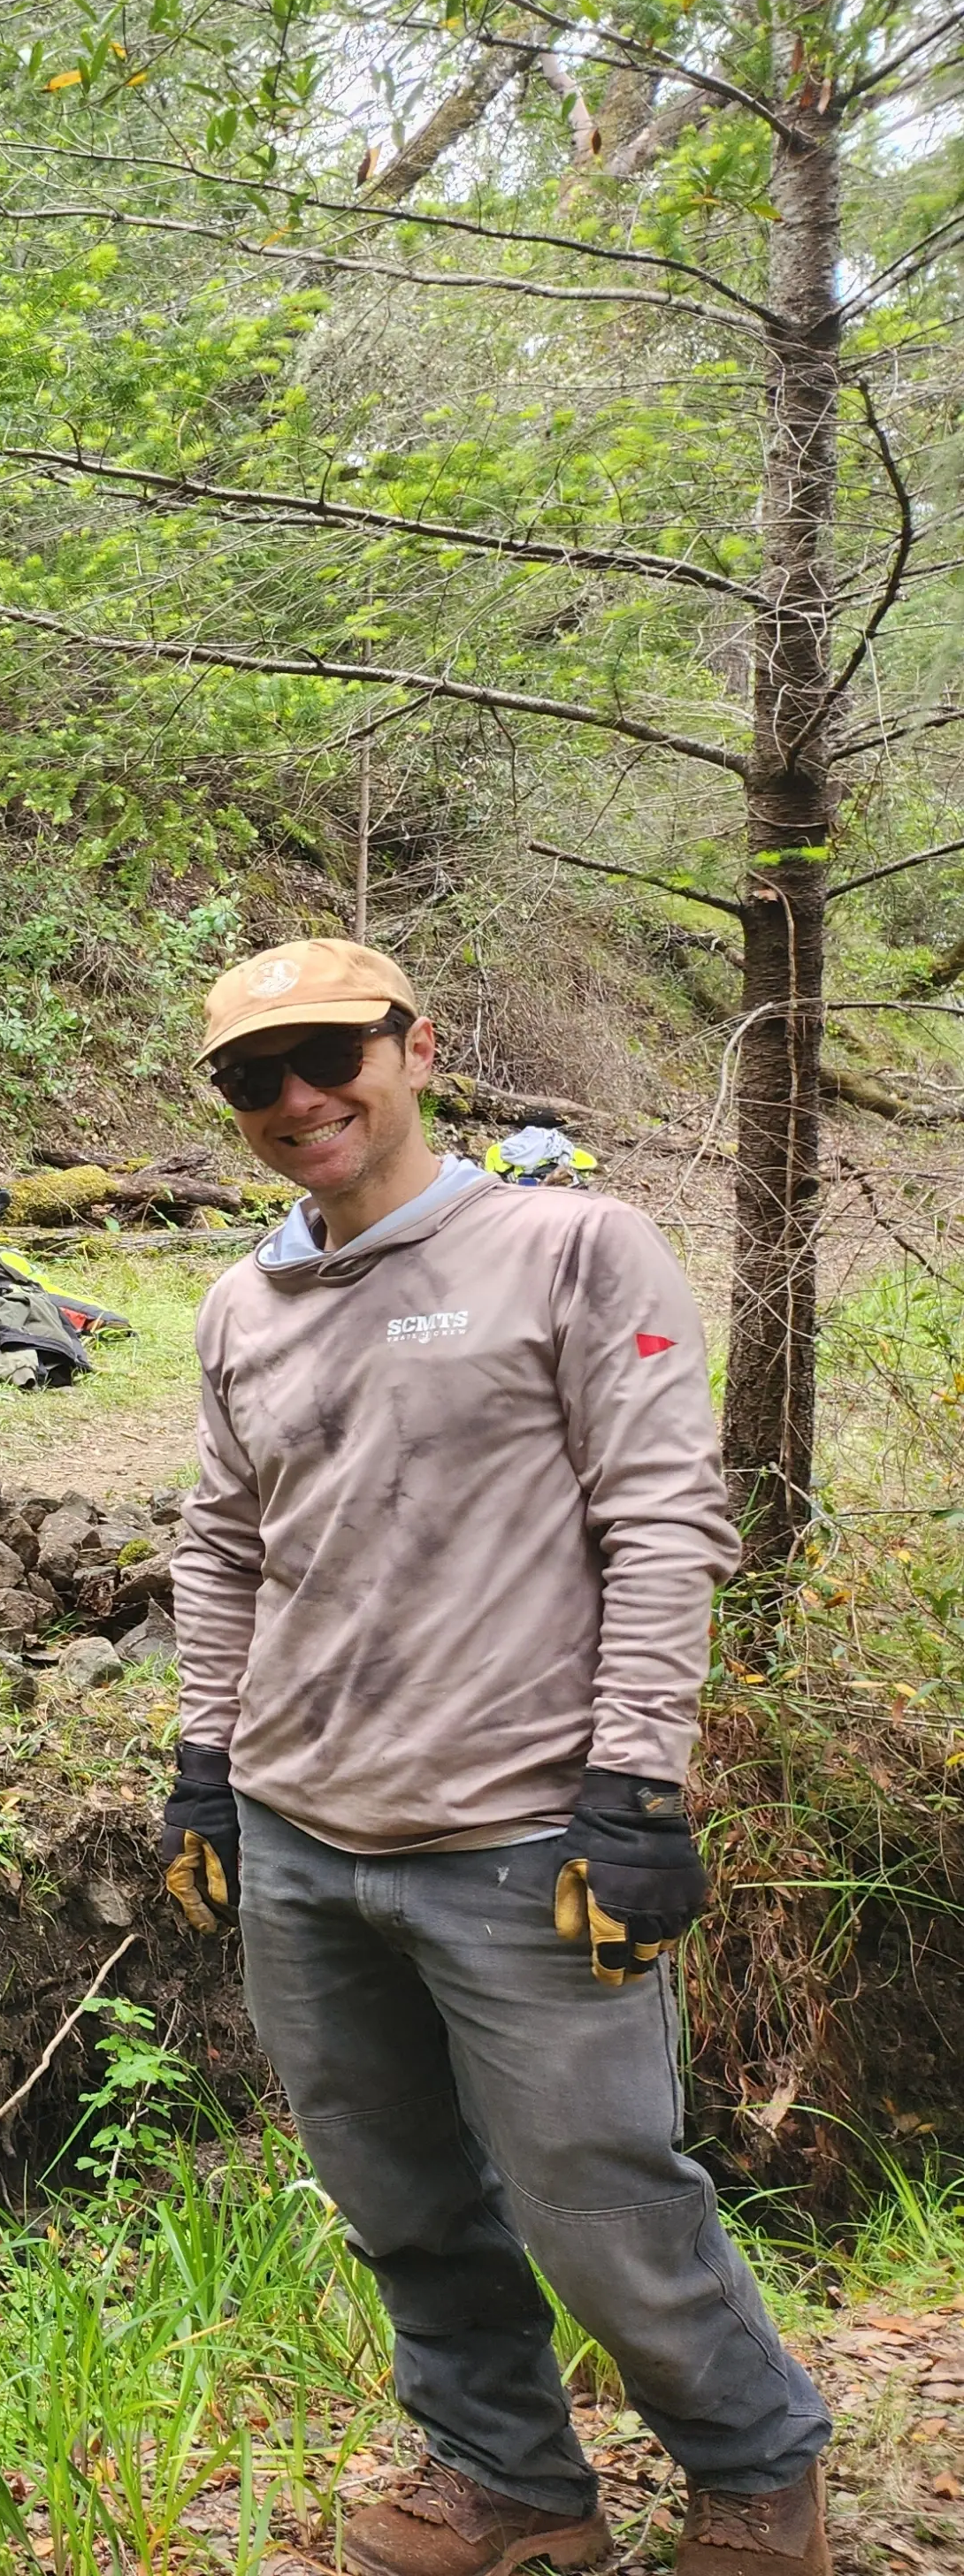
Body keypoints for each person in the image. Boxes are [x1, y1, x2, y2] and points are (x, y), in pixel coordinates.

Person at [164, 939, 832, 2576]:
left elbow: (667, 1521)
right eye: (255, 1078)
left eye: (332, 1056)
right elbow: (223, 1545)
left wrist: (636, 1792)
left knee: (599, 2201)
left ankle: (757, 2473)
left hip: (529, 1831)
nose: (301, 1100)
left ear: (416, 1045)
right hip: (301, 1836)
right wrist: (202, 1768)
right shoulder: (242, 1305)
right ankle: (515, 2488)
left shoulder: (571, 1247)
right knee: (400, 2204)